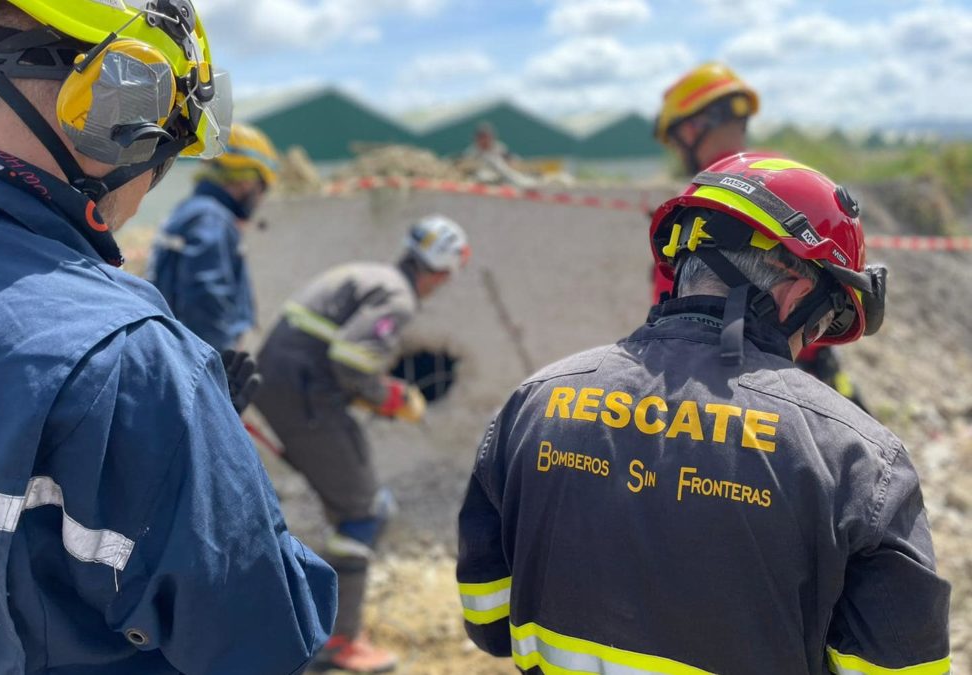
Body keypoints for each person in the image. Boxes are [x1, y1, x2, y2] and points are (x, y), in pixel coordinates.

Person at [0, 1, 336, 673]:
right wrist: (185, 441)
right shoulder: (127, 358)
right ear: (114, 107)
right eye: (164, 143)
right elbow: (259, 639)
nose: (149, 183)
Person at [457, 154, 950, 674]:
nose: (811, 344)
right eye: (822, 324)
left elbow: (488, 616)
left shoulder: (533, 404)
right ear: (796, 293)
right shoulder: (859, 461)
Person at [254, 215, 470, 673]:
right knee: (363, 512)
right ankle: (337, 642)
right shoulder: (397, 295)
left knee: (357, 508)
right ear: (443, 270)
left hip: (292, 390)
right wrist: (395, 397)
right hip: (307, 396)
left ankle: (325, 623)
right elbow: (352, 359)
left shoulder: (374, 275)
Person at [653, 62, 867, 409]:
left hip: (725, 385)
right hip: (805, 374)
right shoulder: (784, 179)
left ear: (693, 129)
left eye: (677, 140)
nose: (678, 151)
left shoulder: (700, 205)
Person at [147, 123, 279, 352]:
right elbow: (206, 298)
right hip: (197, 360)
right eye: (262, 188)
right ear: (246, 180)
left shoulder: (190, 210)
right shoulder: (212, 219)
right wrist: (217, 367)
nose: (260, 199)